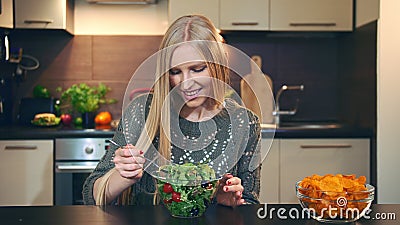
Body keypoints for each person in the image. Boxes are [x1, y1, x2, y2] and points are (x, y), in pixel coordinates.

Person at [82, 14, 261, 206]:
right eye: (176, 72)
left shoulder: (245, 123)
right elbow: (90, 196)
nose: (185, 84)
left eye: (197, 69)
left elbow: (251, 203)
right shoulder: (142, 111)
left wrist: (231, 202)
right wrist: (123, 177)